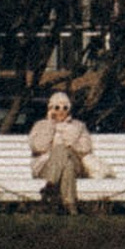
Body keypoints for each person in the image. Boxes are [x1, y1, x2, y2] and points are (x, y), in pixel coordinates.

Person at [29, 85, 94, 213]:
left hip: (76, 163)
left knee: (64, 152)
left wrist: (70, 146)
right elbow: (39, 147)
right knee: (67, 165)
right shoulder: (41, 125)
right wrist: (50, 125)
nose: (61, 111)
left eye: (65, 107)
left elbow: (86, 147)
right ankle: (70, 206)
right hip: (46, 166)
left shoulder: (78, 126)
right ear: (50, 109)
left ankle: (50, 186)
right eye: (57, 107)